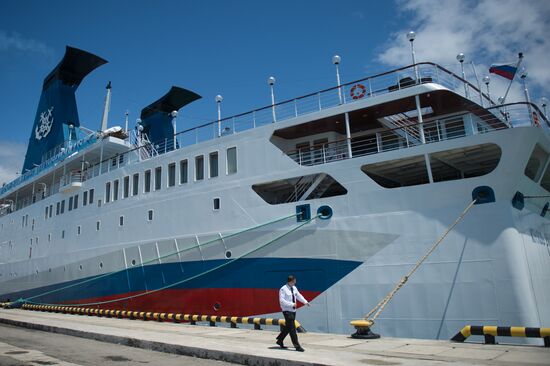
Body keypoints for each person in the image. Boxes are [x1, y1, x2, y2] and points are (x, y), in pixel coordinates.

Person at [276, 275, 310, 352]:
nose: (295, 282)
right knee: (292, 329)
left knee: (288, 327)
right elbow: (282, 301)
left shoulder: (294, 288)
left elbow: (298, 296)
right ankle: (297, 346)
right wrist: (291, 304)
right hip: (287, 311)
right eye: (294, 281)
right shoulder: (283, 289)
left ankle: (279, 340)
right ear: (291, 281)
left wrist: (305, 302)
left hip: (293, 311)